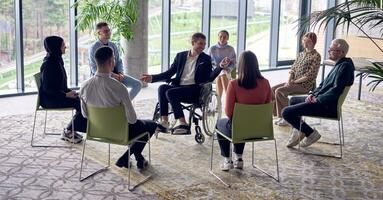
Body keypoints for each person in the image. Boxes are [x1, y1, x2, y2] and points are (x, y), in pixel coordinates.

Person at [80, 46, 157, 170]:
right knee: (151, 125)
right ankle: (126, 157)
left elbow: (85, 115)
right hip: (120, 132)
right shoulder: (119, 87)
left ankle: (135, 158)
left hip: (96, 130)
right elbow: (132, 120)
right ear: (112, 61)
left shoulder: (84, 86)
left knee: (139, 127)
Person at [141, 33, 229, 135]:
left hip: (195, 90)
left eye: (204, 44)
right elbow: (169, 73)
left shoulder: (205, 59)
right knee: (162, 88)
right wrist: (152, 78)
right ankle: (164, 122)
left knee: (170, 93)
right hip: (179, 88)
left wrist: (220, 67)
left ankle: (184, 124)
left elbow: (209, 78)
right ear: (193, 43)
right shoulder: (180, 56)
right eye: (200, 43)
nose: (203, 46)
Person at [282, 38, 354, 148]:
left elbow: (336, 90)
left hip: (327, 106)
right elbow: (322, 85)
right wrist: (312, 94)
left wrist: (317, 99)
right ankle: (299, 129)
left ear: (341, 52)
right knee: (293, 100)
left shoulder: (345, 67)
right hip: (322, 101)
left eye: (331, 50)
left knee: (286, 112)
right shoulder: (340, 64)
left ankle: (310, 133)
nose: (329, 51)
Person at [216, 51, 272, 171]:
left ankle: (227, 160)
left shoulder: (234, 84)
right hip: (260, 130)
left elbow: (229, 113)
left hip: (240, 129)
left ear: (240, 66)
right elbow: (268, 107)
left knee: (222, 123)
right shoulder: (266, 83)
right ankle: (239, 158)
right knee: (243, 122)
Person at [39, 36, 86, 144]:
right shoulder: (49, 64)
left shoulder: (56, 60)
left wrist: (70, 92)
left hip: (58, 96)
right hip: (50, 100)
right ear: (56, 47)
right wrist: (66, 95)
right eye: (63, 45)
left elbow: (60, 85)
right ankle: (68, 131)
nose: (65, 47)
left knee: (82, 99)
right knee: (81, 104)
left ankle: (72, 129)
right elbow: (48, 89)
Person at [272, 32, 321, 126]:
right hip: (293, 82)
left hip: (304, 85)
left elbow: (309, 75)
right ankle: (281, 115)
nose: (305, 44)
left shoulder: (316, 56)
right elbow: (293, 69)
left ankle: (287, 117)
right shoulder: (301, 54)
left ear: (314, 42)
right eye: (304, 41)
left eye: (308, 42)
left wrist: (293, 82)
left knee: (279, 91)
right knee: (272, 89)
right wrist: (289, 81)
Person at [88, 22, 142, 100]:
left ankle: (124, 104)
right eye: (105, 31)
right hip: (101, 78)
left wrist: (120, 73)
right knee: (115, 92)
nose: (109, 33)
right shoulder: (94, 48)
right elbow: (94, 68)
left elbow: (119, 61)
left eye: (109, 30)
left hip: (116, 75)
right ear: (99, 33)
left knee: (137, 85)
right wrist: (112, 75)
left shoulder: (113, 45)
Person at [208, 30, 236, 98]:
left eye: (224, 37)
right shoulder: (212, 49)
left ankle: (219, 101)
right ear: (218, 37)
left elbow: (234, 63)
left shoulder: (231, 49)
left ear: (228, 38)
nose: (222, 39)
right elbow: (208, 63)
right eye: (220, 36)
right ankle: (228, 97)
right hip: (214, 71)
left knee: (222, 75)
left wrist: (228, 68)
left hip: (227, 71)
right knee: (221, 75)